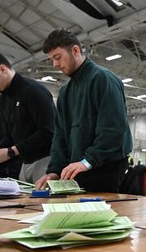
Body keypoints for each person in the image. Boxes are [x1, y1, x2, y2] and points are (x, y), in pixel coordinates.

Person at [35, 29, 132, 192]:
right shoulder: (65, 92)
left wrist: (87, 161)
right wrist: (54, 171)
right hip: (78, 172)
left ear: (75, 50)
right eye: (51, 59)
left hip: (106, 172)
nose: (55, 64)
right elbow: (59, 136)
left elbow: (114, 130)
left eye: (57, 57)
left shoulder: (103, 79)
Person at [0, 51, 55, 183]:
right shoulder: (2, 101)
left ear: (2, 69)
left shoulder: (33, 91)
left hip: (46, 161)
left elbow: (49, 131)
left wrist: (11, 152)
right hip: (24, 164)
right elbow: (9, 138)